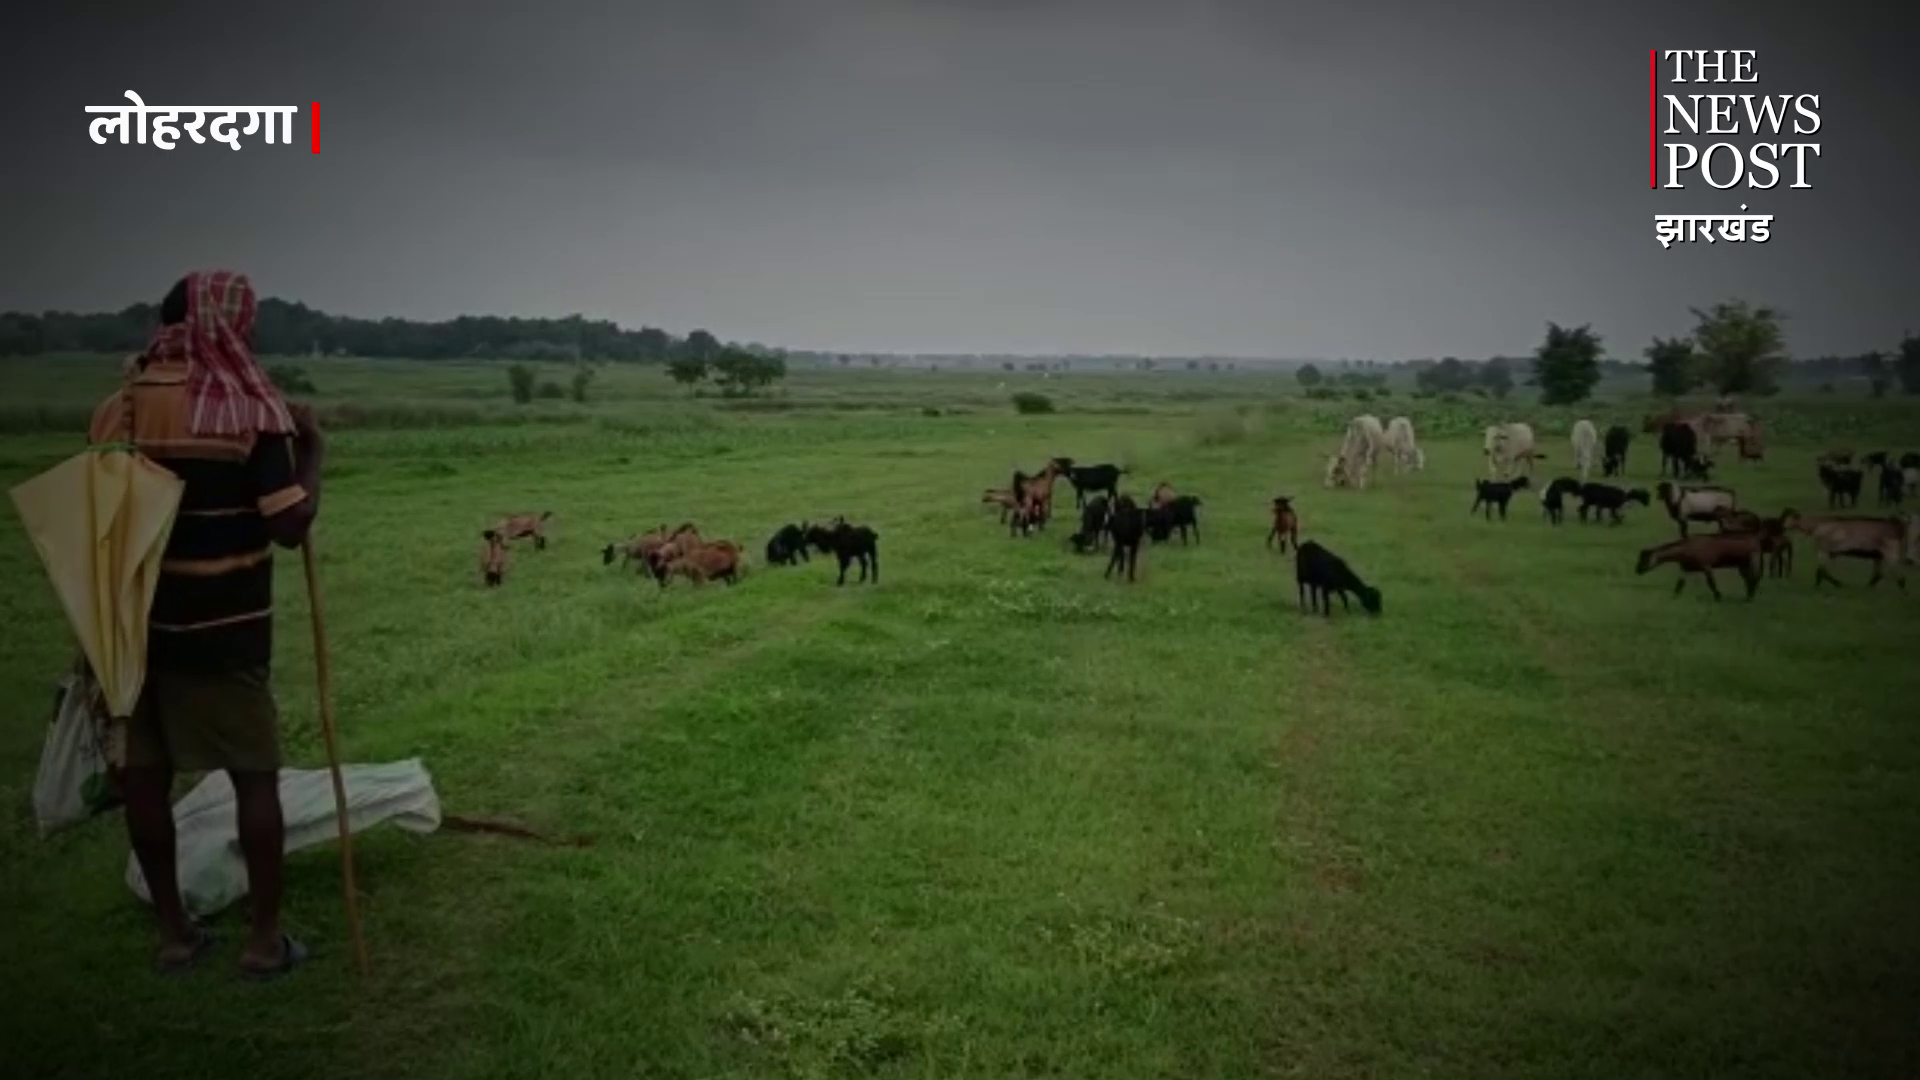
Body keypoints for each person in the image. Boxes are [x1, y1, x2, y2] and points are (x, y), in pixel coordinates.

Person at [87, 271, 324, 978]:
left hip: (129, 631)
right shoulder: (249, 411)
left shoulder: (114, 411)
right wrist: (312, 452)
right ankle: (263, 943)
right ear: (231, 328)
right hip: (224, 628)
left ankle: (174, 935)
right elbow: (287, 524)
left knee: (144, 778)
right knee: (255, 777)